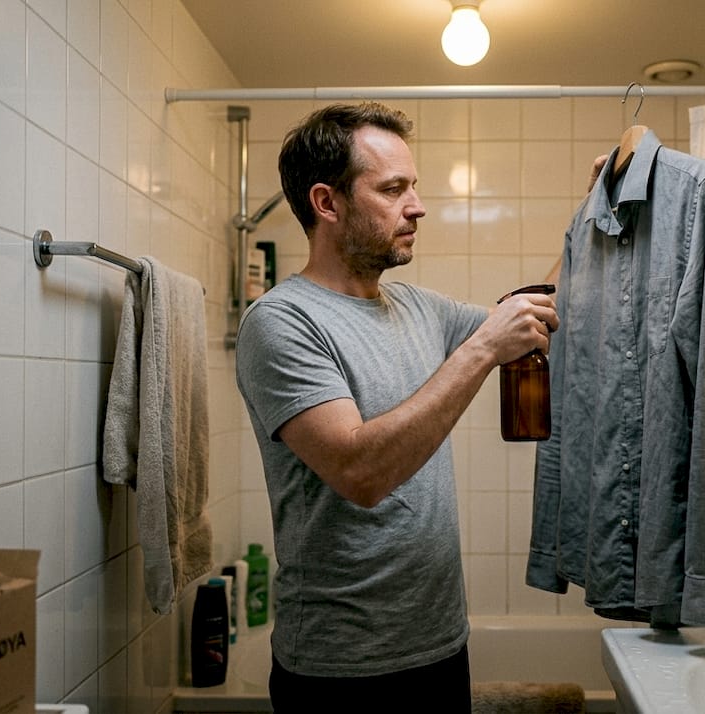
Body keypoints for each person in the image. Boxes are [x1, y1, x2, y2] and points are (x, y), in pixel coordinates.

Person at [234, 102, 560, 713]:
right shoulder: (281, 323)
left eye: (414, 186)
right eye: (393, 189)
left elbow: (535, 313)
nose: (418, 206)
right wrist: (484, 349)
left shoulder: (418, 307)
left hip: (439, 647)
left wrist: (596, 216)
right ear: (328, 203)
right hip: (341, 671)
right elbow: (361, 473)